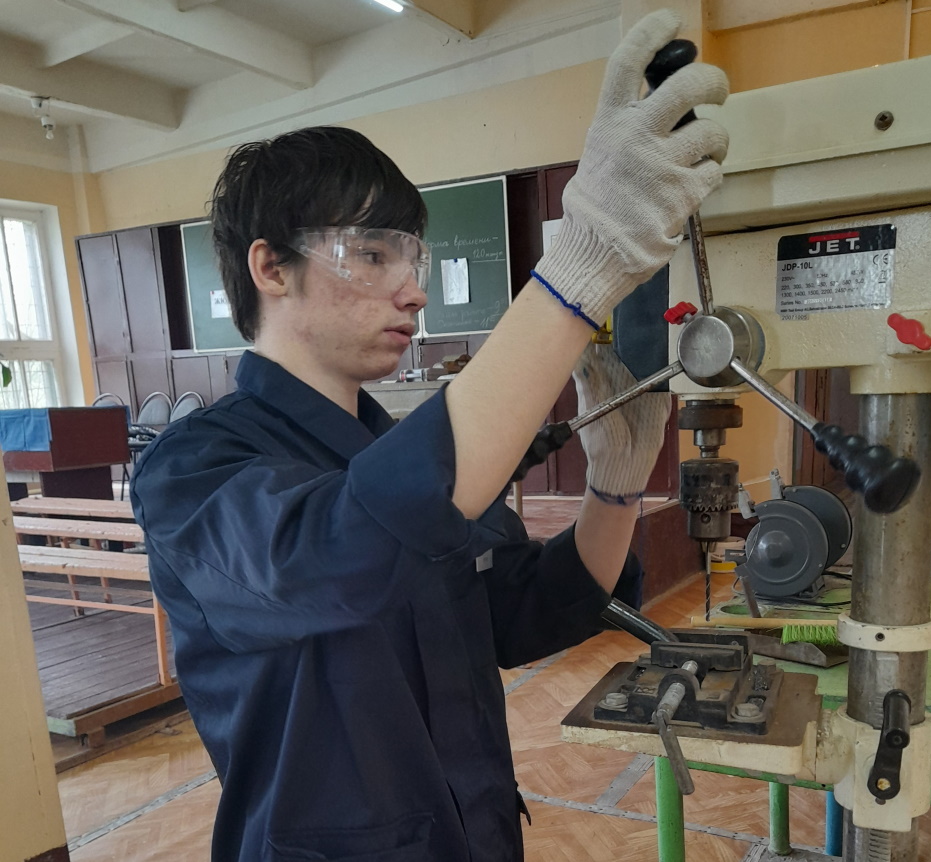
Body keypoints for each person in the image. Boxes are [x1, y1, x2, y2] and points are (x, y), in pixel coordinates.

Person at [130, 9, 728, 861]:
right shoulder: (193, 470)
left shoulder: (389, 451)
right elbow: (345, 551)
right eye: (373, 254)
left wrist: (616, 487)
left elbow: (520, 614)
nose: (413, 289)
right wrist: (583, 260)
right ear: (271, 268)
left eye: (412, 256)